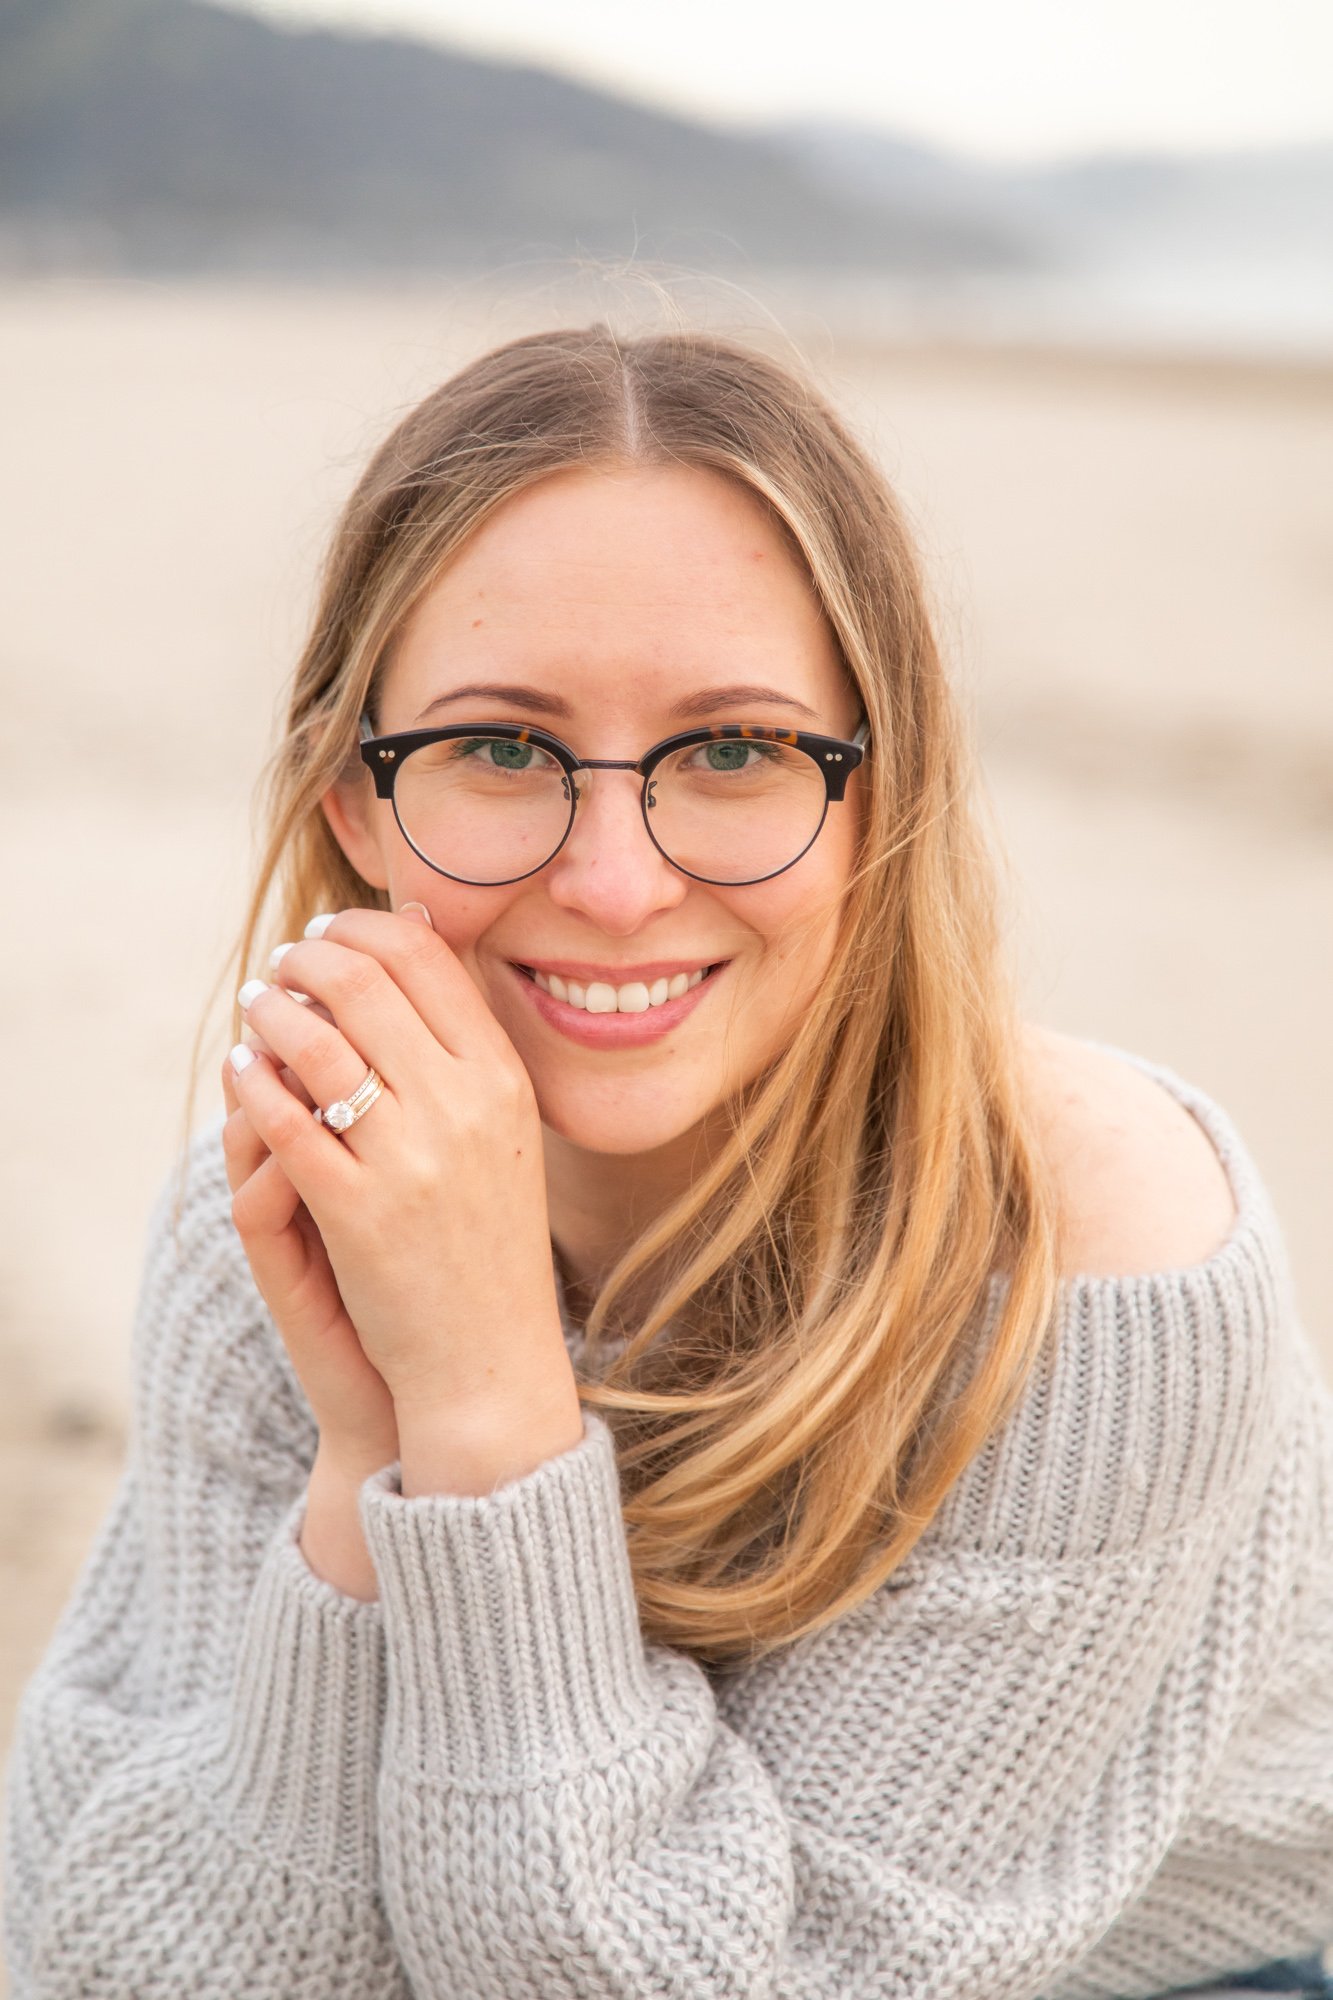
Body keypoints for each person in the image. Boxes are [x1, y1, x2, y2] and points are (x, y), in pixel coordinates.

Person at [4, 324, 1331, 2000]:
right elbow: (114, 1956)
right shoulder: (270, 1216)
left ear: (876, 791)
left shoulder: (1094, 1266)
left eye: (731, 751)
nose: (617, 883)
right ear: (353, 793)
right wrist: (360, 1470)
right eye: (498, 749)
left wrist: (482, 1403)